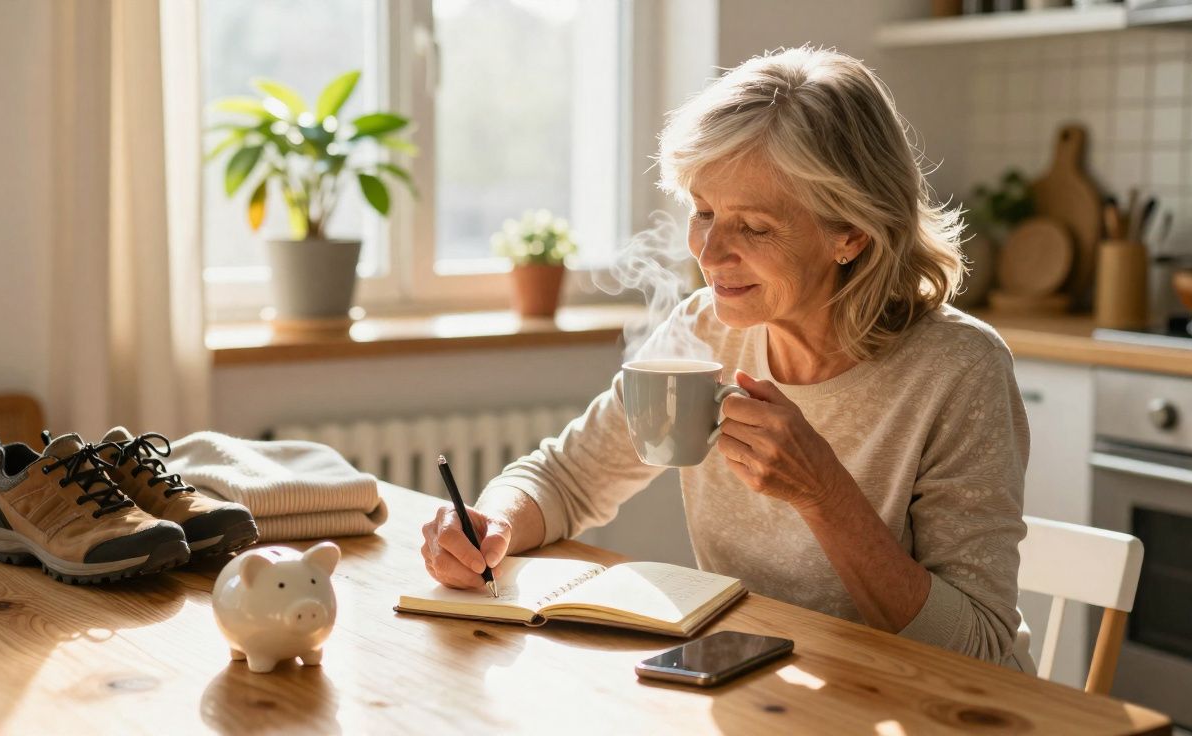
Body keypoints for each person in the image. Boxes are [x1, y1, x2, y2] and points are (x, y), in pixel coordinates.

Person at [420, 46, 1029, 667]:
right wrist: (487, 524)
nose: (708, 254)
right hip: (765, 684)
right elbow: (567, 478)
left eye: (754, 226)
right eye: (703, 212)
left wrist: (825, 495)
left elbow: (977, 648)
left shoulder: (959, 369)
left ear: (850, 235)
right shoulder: (704, 332)